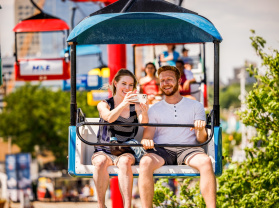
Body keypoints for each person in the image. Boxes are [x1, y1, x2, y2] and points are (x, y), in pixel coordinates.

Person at [138, 65, 216, 208]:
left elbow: (201, 139)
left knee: (205, 162)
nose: (165, 83)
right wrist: (146, 140)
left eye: (169, 79)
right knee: (145, 163)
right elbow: (147, 136)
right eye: (162, 81)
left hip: (188, 149)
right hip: (162, 150)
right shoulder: (154, 109)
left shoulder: (195, 106)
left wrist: (200, 128)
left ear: (179, 80)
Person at [92, 69, 149, 208]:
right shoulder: (104, 104)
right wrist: (124, 103)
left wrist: (144, 111)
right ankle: (101, 205)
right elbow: (109, 118)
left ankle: (127, 205)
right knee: (99, 162)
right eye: (124, 83)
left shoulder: (134, 107)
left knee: (124, 163)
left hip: (124, 149)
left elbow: (144, 123)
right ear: (116, 84)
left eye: (130, 85)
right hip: (104, 149)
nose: (127, 88)